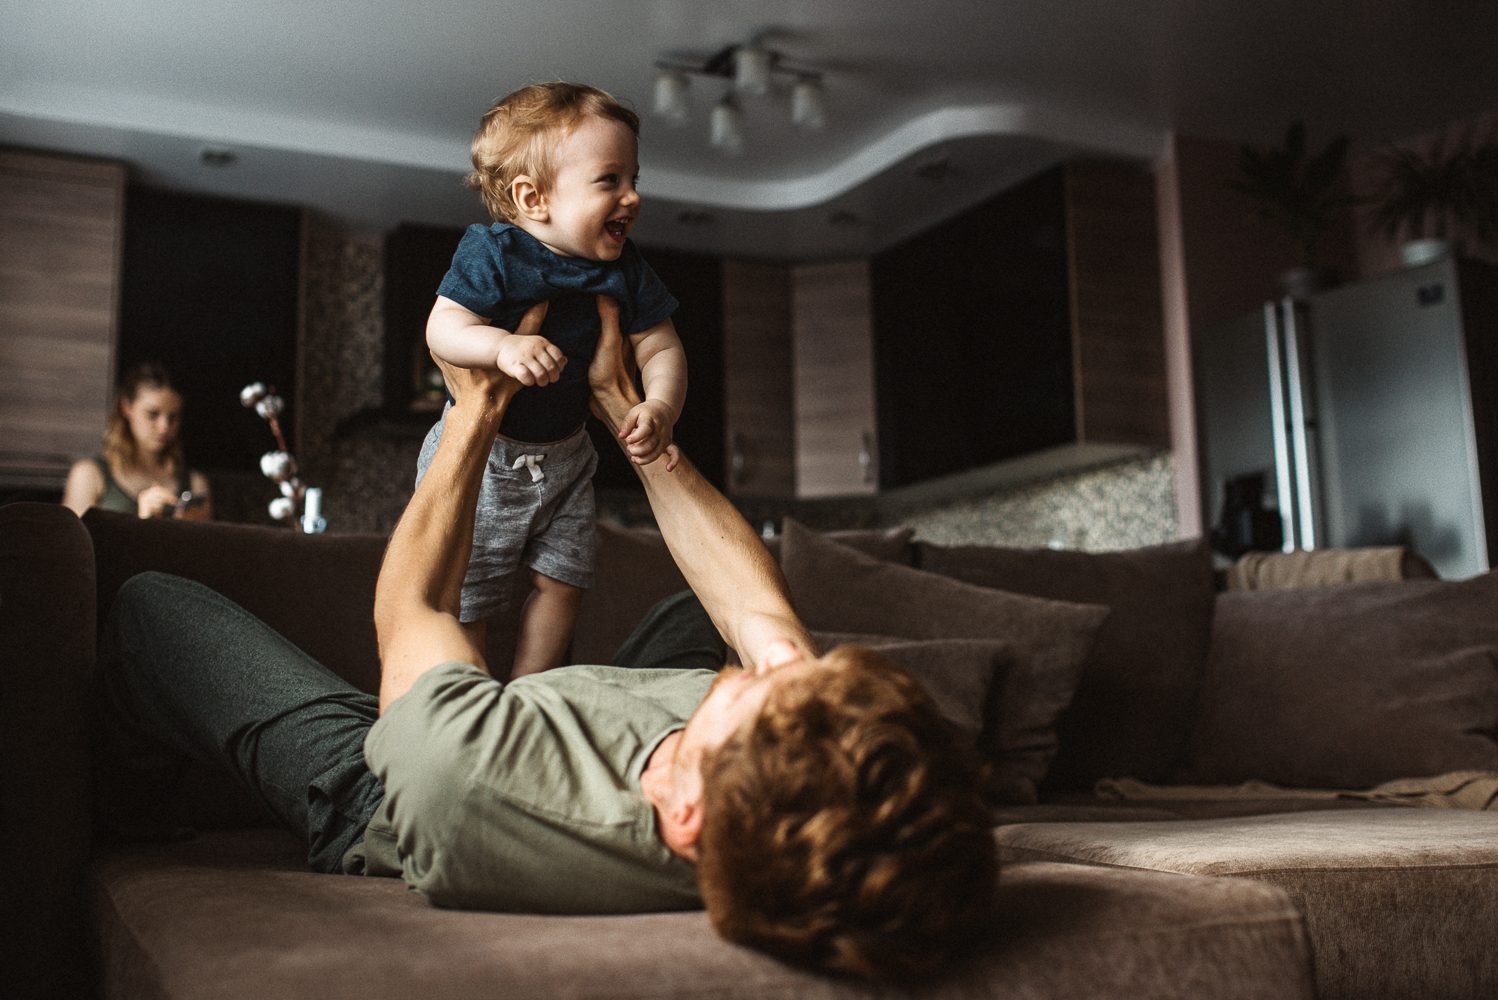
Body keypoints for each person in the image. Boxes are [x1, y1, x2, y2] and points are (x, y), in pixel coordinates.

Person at [95, 298, 996, 980]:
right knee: (714, 607)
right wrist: (620, 411)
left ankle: (133, 801)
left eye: (751, 694)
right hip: (557, 735)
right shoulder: (773, 792)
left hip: (388, 792)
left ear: (685, 817)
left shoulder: (472, 778)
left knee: (149, 606)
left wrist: (474, 413)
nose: (751, 671)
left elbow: (413, 609)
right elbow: (762, 629)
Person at [419, 81, 688, 677]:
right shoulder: (493, 253)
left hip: (567, 458)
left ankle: (529, 691)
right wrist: (502, 346)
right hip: (484, 459)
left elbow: (661, 344)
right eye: (610, 180)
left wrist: (661, 405)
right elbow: (444, 329)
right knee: (471, 592)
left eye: (634, 178)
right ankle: (468, 693)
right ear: (533, 198)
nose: (633, 197)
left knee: (565, 580)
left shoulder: (626, 268)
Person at [63, 361, 211, 520]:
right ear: (126, 408)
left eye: (173, 417)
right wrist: (142, 523)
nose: (164, 427)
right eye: (152, 414)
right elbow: (74, 544)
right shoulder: (88, 475)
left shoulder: (195, 484)